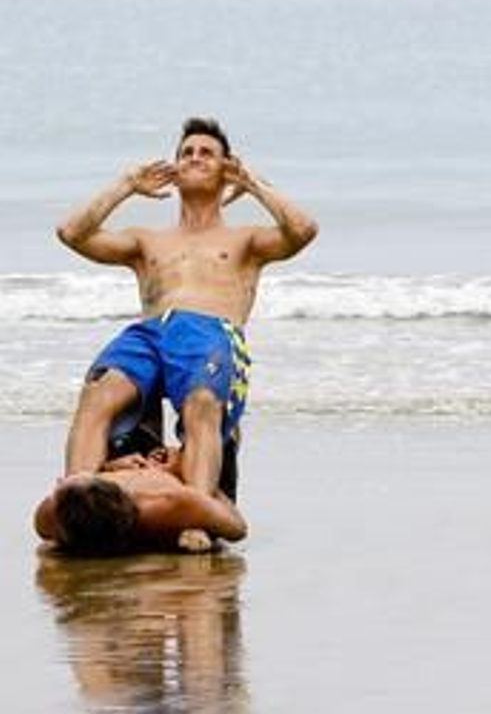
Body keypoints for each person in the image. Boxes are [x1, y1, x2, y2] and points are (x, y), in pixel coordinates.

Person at [57, 117, 317, 538]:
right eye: (186, 152)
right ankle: (76, 503)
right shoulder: (146, 241)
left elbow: (303, 229)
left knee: (201, 403)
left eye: (206, 153)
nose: (194, 157)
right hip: (149, 332)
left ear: (225, 169)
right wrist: (126, 184)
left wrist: (251, 183)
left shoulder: (246, 241)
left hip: (210, 330)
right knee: (98, 393)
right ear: (175, 170)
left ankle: (195, 518)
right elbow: (72, 233)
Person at [34, 449, 249, 555]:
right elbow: (238, 528)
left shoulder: (48, 517)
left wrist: (109, 466)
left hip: (112, 518)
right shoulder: (175, 503)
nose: (59, 479)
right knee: (203, 426)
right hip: (179, 495)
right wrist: (191, 479)